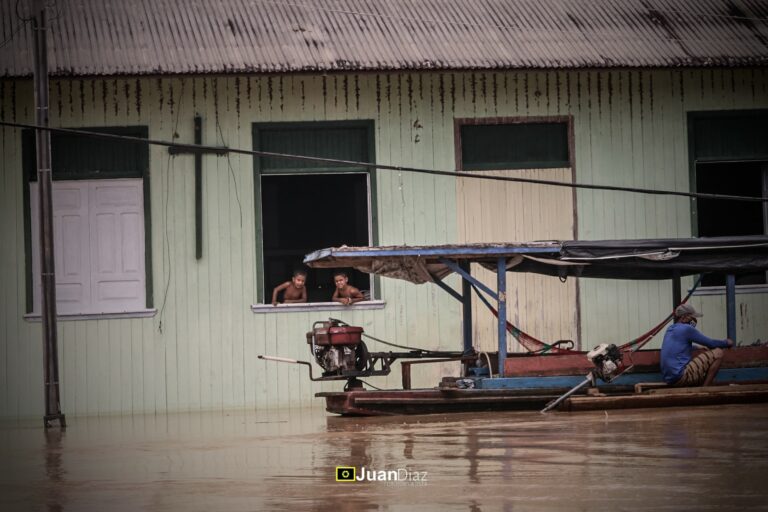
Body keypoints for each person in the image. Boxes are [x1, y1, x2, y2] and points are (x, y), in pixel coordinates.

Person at [660, 303, 733, 387]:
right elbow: (711, 343)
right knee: (718, 353)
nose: (694, 320)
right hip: (680, 377)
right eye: (692, 317)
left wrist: (696, 347)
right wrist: (727, 342)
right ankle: (705, 389)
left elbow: (678, 347)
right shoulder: (687, 329)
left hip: (669, 379)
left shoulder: (670, 329)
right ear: (685, 317)